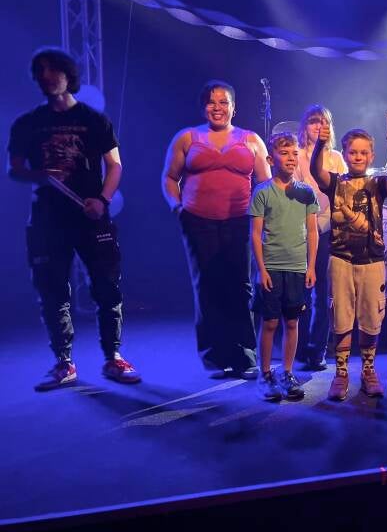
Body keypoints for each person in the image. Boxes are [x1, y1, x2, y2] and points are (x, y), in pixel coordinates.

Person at [7, 47, 140, 390]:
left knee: (107, 286)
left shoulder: (95, 121)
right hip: (48, 220)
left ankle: (113, 357)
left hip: (91, 216)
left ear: (69, 75)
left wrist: (103, 199)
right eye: (41, 72)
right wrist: (37, 174)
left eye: (53, 70)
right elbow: (15, 170)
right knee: (52, 290)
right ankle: (63, 363)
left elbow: (115, 165)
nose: (47, 77)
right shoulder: (27, 124)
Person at [162, 80, 270, 379]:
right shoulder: (187, 137)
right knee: (207, 286)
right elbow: (169, 178)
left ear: (234, 107)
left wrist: (263, 218)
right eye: (211, 102)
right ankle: (215, 356)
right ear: (203, 107)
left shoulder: (251, 140)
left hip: (240, 221)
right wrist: (177, 207)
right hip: (198, 221)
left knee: (240, 286)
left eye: (224, 102)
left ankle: (244, 355)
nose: (217, 107)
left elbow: (265, 183)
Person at [311, 125, 387, 401]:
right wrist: (320, 146)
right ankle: (341, 373)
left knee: (371, 318)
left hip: (372, 261)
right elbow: (316, 172)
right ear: (344, 154)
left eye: (364, 152)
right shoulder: (336, 182)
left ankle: (368, 370)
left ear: (372, 156)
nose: (358, 157)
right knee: (341, 318)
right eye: (353, 152)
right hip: (341, 260)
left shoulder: (377, 184)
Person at [250, 132, 319, 401]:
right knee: (269, 323)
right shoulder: (262, 192)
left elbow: (312, 232)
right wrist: (261, 269)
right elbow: (256, 234)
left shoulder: (306, 192)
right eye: (284, 153)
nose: (291, 158)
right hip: (272, 268)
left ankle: (287, 373)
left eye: (294, 154)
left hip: (297, 268)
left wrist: (310, 267)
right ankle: (265, 374)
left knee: (292, 322)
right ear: (271, 159)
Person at [294, 105, 346, 371]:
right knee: (301, 291)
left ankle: (318, 350)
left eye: (323, 122)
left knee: (323, 291)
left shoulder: (336, 157)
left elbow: (344, 191)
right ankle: (300, 348)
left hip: (328, 230)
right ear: (305, 126)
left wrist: (326, 221)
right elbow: (294, 191)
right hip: (301, 229)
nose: (318, 126)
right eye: (313, 121)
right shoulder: (298, 155)